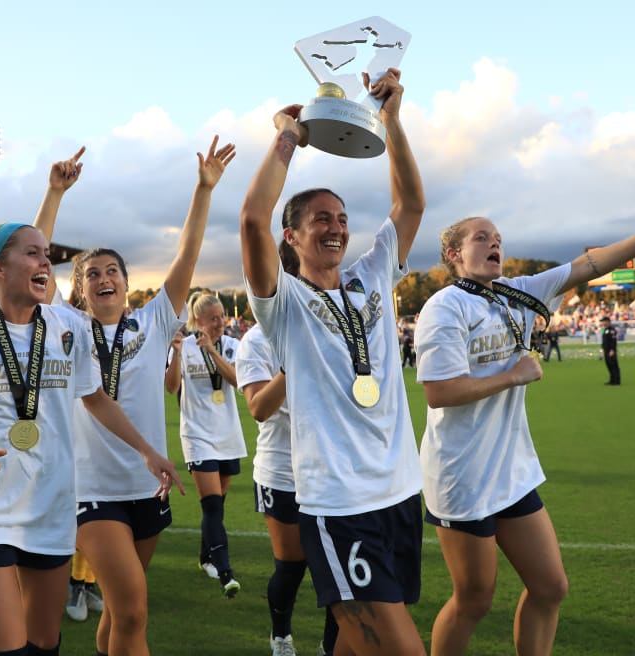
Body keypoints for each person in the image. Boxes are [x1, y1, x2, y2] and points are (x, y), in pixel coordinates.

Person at [414, 203, 635, 655]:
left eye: (498, 238)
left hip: (512, 471)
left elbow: (590, 264)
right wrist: (513, 375)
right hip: (460, 476)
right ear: (453, 254)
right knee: (474, 600)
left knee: (550, 587)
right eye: (481, 238)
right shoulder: (444, 308)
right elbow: (440, 392)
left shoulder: (520, 293)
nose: (495, 244)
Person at [0, 216, 181, 656]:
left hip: (51, 506)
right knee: (10, 650)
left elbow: (95, 398)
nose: (44, 261)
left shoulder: (65, 328)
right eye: (33, 252)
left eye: (47, 254)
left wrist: (147, 451)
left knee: (44, 644)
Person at [240, 68, 428, 656]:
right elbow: (250, 219)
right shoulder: (285, 302)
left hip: (399, 491)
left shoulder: (372, 274)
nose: (337, 227)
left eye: (342, 218)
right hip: (339, 505)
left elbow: (411, 202)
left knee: (354, 647)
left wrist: (392, 122)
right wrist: (288, 137)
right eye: (320, 218)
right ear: (291, 237)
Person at [32, 136, 229, 653]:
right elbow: (33, 266)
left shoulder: (156, 319)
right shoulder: (65, 323)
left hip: (149, 486)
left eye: (112, 271)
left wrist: (203, 189)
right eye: (91, 273)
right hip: (90, 489)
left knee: (121, 615)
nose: (104, 278)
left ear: (125, 283)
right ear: (78, 288)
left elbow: (187, 251)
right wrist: (55, 193)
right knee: (136, 610)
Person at [236, 269, 338, 656]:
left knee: (335, 572)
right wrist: (291, 360)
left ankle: (331, 647)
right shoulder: (256, 341)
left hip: (331, 469)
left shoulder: (328, 326)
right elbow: (259, 408)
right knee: (292, 568)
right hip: (282, 473)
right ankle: (281, 636)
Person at [165, 291, 246, 598]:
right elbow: (171, 387)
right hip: (197, 436)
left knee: (218, 505)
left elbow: (238, 380)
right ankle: (226, 573)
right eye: (212, 318)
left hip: (227, 435)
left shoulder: (231, 345)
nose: (219, 322)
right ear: (197, 321)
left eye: (222, 316)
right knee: (211, 504)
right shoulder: (183, 347)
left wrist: (212, 351)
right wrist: (174, 356)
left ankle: (204, 557)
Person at [600, 316, 620, 385]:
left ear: (608, 321)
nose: (603, 322)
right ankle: (612, 380)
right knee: (609, 365)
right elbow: (604, 341)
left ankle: (616, 381)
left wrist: (612, 350)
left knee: (613, 365)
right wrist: (602, 349)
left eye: (604, 321)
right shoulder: (605, 330)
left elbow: (613, 341)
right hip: (606, 350)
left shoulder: (612, 330)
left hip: (610, 350)